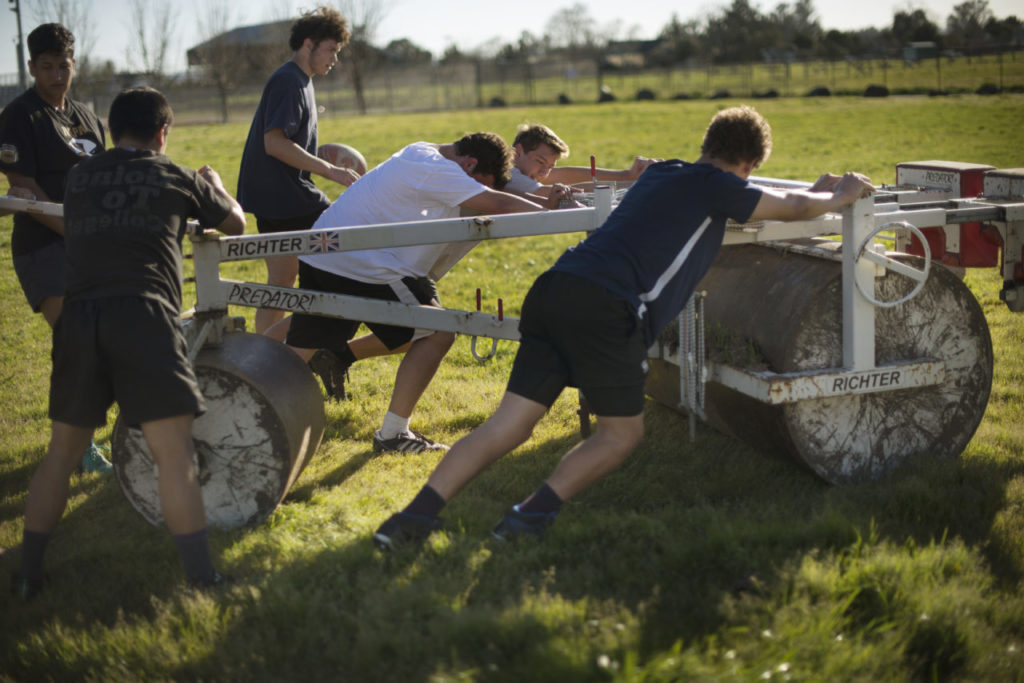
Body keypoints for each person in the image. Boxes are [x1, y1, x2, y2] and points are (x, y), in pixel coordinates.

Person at [373, 106, 875, 550]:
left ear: (707, 145)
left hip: (556, 288)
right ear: (748, 165)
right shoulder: (720, 187)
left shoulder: (663, 176)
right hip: (607, 307)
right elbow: (788, 209)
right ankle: (528, 519)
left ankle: (410, 520)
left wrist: (815, 192)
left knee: (509, 425)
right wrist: (842, 195)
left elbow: (758, 201)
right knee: (620, 435)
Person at [10, 87, 247, 600]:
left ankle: (28, 574)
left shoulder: (79, 177)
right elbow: (236, 223)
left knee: (60, 456)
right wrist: (216, 185)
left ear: (111, 132)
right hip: (143, 316)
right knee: (173, 456)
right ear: (164, 133)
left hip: (79, 317)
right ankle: (202, 580)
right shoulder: (175, 175)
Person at [269, 133, 568, 454]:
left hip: (328, 254)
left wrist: (546, 202)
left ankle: (240, 374)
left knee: (301, 344)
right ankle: (393, 434)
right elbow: (499, 202)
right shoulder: (441, 170)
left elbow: (499, 196)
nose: (474, 196)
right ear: (469, 164)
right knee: (438, 333)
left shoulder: (422, 151)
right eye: (477, 186)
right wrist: (556, 214)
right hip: (365, 263)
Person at [0, 23, 112, 474]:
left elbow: (105, 180)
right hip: (44, 248)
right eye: (46, 67)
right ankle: (79, 447)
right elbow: (24, 192)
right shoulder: (18, 117)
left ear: (73, 64)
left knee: (101, 341)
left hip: (90, 246)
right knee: (76, 340)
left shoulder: (86, 116)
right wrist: (82, 232)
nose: (56, 75)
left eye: (63, 66)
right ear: (31, 68)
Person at [237, 5, 359, 335]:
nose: (334, 59)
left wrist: (321, 158)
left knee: (281, 281)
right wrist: (330, 170)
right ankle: (306, 345)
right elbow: (274, 143)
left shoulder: (301, 80)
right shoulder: (289, 81)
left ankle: (266, 353)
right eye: (331, 50)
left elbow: (289, 143)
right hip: (284, 199)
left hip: (279, 197)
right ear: (309, 44)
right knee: (345, 264)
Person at [504, 123, 659, 198]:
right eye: (540, 161)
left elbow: (565, 175)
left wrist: (627, 175)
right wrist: (641, 185)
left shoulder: (524, 171)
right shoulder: (512, 175)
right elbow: (559, 194)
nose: (545, 173)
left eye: (550, 167)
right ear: (518, 151)